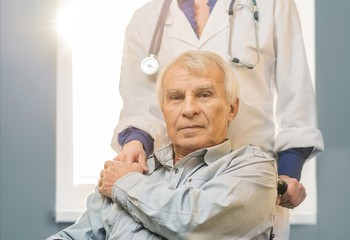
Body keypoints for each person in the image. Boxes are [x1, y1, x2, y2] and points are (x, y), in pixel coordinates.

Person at [111, 0, 324, 239]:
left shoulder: (273, 5)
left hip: (248, 180)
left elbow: (296, 97)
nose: (190, 109)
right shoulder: (146, 18)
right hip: (169, 183)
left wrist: (288, 173)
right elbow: (139, 104)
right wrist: (133, 146)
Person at [47, 51, 277, 240]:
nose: (188, 109)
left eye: (204, 95)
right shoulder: (135, 169)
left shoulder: (255, 169)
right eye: (176, 98)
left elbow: (192, 222)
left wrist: (124, 183)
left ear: (232, 109)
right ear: (163, 110)